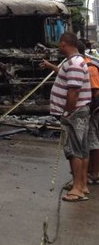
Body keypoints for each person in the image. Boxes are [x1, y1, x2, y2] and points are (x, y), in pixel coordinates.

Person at [41, 32, 92, 202]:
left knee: (74, 150)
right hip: (78, 112)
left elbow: (74, 91)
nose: (58, 46)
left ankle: (77, 189)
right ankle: (82, 184)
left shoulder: (75, 63)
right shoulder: (73, 62)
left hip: (75, 113)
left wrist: (67, 112)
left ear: (64, 44)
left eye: (59, 43)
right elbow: (66, 79)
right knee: (81, 149)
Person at [83, 42, 99, 184]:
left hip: (95, 111)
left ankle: (94, 173)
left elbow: (95, 92)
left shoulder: (90, 69)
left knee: (93, 141)